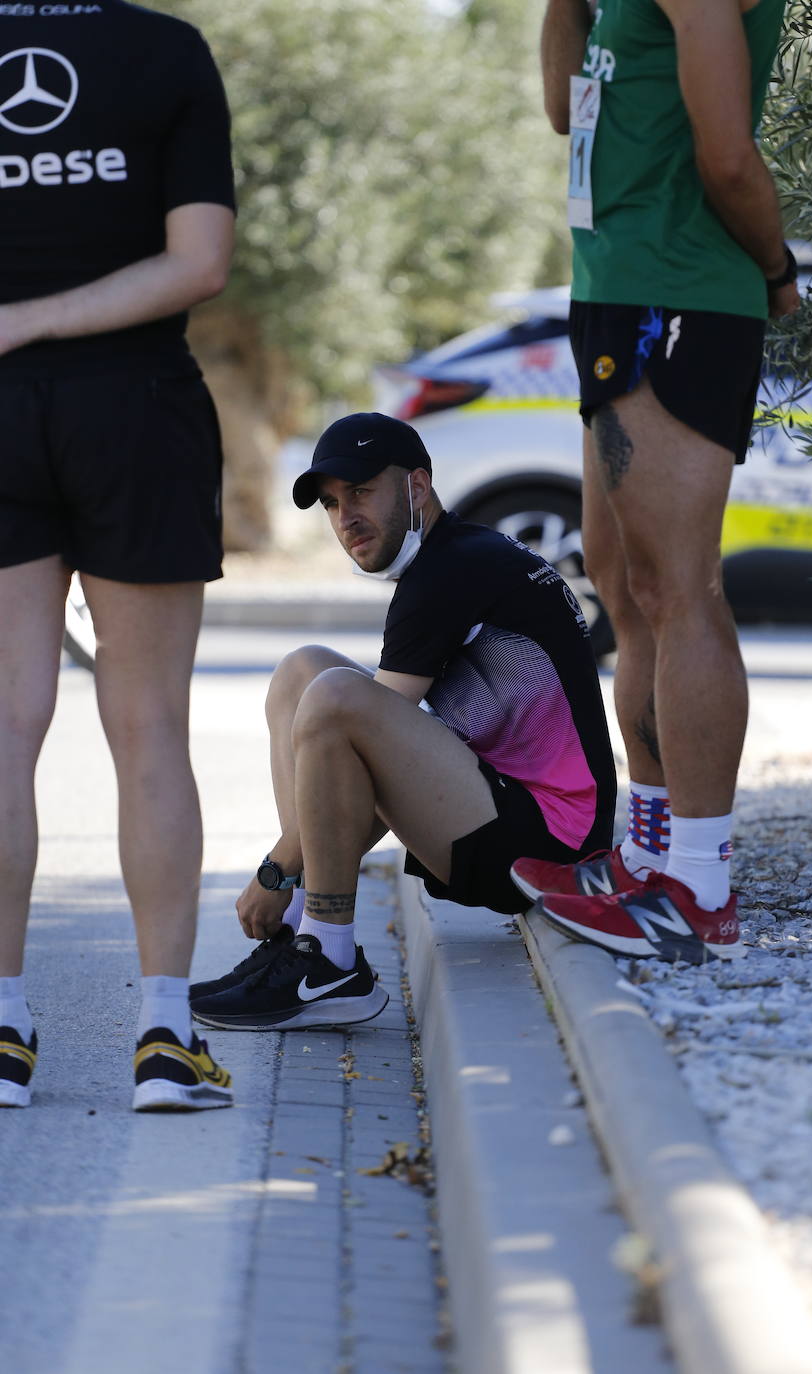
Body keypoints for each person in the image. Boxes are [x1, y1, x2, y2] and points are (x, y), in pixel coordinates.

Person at [510, 0, 800, 964]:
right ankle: (649, 851)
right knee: (629, 589)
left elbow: (726, 158)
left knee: (681, 587)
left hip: (681, 293)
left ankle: (698, 891)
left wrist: (775, 265)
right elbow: (564, 109)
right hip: (613, 284)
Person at [189, 412, 616, 1031]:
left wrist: (277, 870)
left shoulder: (450, 570)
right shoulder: (459, 555)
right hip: (508, 810)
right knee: (303, 673)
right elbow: (352, 783)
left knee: (335, 700)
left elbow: (354, 756)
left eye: (361, 492)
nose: (345, 519)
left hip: (550, 847)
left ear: (417, 486)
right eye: (332, 505)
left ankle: (328, 954)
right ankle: (308, 940)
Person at [0, 3, 236, 1110]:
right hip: (136, 405)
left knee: (3, 724)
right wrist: (46, 318)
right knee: (148, 726)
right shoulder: (163, 49)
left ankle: (0, 1030)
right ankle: (161, 1036)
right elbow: (200, 264)